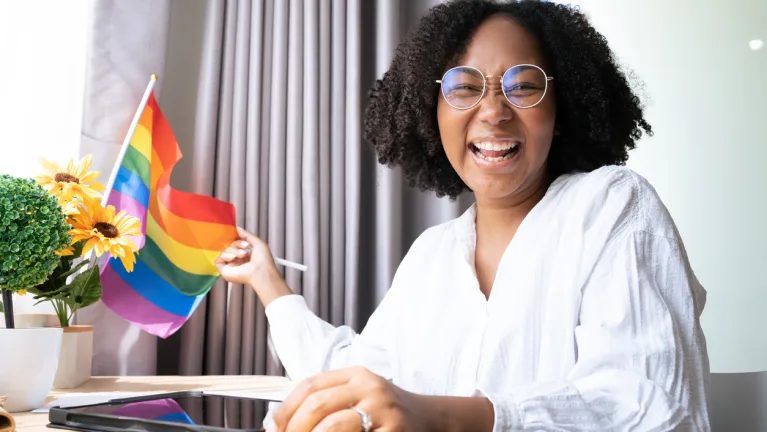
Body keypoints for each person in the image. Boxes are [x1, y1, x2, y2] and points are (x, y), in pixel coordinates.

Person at [216, 0, 710, 430]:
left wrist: (441, 418)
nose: (493, 111)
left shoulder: (612, 206)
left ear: (562, 109)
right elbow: (354, 373)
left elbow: (654, 409)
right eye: (464, 87)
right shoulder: (432, 253)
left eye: (523, 86)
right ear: (430, 113)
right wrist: (267, 281)